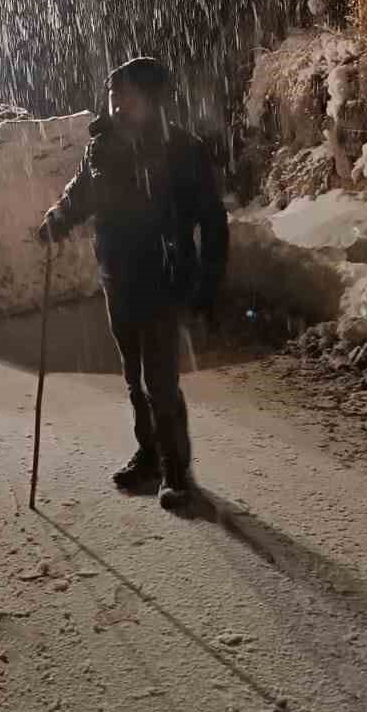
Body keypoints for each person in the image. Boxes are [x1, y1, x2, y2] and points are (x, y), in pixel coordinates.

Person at [38, 56, 229, 509]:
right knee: (132, 376)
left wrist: (208, 286)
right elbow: (81, 191)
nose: (118, 103)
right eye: (113, 94)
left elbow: (213, 222)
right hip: (118, 276)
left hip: (163, 279)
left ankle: (177, 470)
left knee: (160, 380)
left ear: (153, 99)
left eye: (127, 94)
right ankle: (149, 455)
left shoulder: (183, 149)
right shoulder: (102, 148)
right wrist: (58, 218)